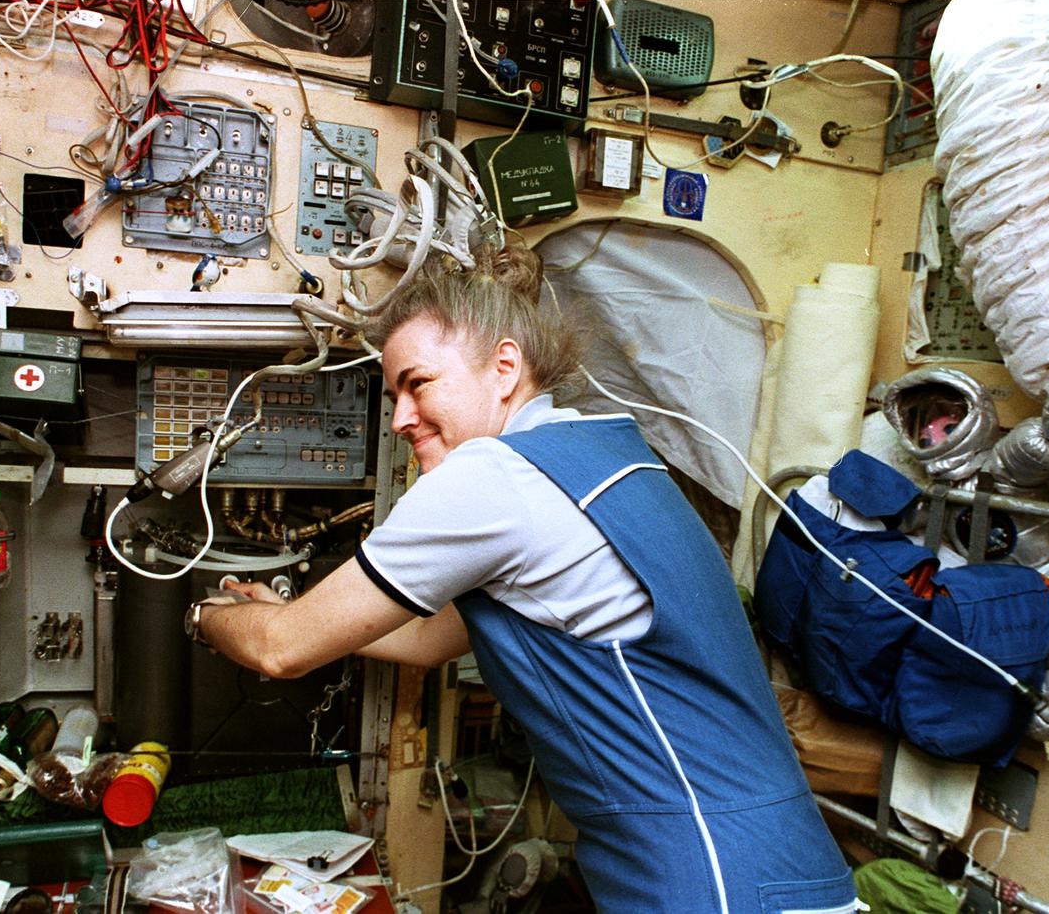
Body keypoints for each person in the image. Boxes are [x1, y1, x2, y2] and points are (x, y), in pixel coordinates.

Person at [191, 245, 857, 914]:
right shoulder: (612, 455)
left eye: (417, 383)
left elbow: (280, 650)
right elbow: (428, 638)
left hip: (714, 880)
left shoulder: (494, 476)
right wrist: (288, 605)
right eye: (393, 394)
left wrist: (206, 614)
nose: (399, 417)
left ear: (504, 367)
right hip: (792, 869)